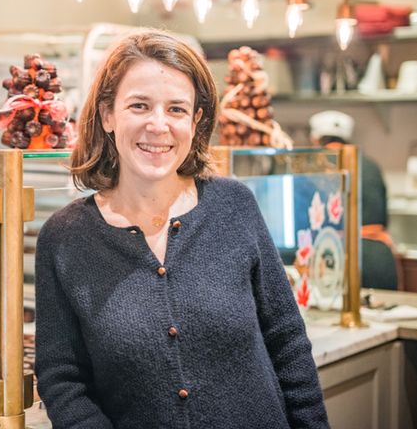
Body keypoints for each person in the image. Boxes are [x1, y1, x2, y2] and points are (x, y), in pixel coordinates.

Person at [35, 29, 329, 429]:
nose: (158, 126)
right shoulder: (64, 238)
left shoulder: (234, 206)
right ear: (107, 115)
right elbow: (62, 380)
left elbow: (287, 342)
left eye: (176, 109)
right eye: (139, 106)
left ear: (195, 121)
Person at [309, 110, 398, 290]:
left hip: (336, 254)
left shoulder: (313, 166)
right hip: (379, 257)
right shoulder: (371, 165)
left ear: (316, 139)